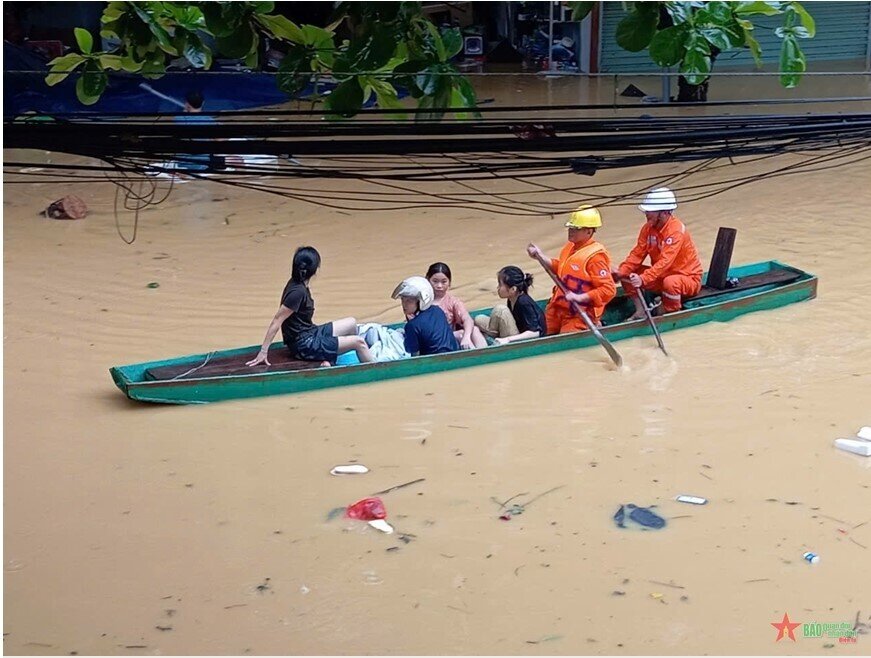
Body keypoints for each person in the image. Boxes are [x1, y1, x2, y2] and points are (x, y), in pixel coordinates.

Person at [246, 246, 373, 367]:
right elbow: (277, 320)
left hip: (310, 332)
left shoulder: (300, 283)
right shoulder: (297, 292)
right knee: (359, 343)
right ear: (314, 270)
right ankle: (373, 369)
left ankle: (334, 358)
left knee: (351, 322)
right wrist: (263, 352)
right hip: (304, 345)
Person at [614, 187, 703, 319]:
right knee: (627, 272)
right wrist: (621, 272)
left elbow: (665, 262)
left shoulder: (676, 231)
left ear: (664, 213)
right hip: (661, 277)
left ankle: (670, 313)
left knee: (670, 282)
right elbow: (637, 254)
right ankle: (641, 310)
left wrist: (643, 279)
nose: (647, 214)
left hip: (687, 279)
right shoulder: (648, 228)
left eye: (651, 211)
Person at [527, 204, 616, 334]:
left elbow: (608, 290)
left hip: (580, 313)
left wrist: (581, 297)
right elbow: (563, 269)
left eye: (576, 228)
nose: (571, 231)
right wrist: (540, 257)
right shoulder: (570, 247)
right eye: (571, 227)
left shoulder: (596, 257)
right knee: (541, 332)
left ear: (589, 231)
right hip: (558, 307)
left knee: (565, 337)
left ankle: (595, 324)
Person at [474, 266, 546, 344]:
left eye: (500, 285)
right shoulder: (511, 299)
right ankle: (494, 337)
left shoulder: (523, 302)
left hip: (525, 339)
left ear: (513, 289)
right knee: (479, 319)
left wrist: (508, 339)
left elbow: (536, 333)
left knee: (501, 310)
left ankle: (495, 339)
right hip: (515, 330)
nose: (498, 287)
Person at [392, 276, 459, 356]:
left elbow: (414, 354)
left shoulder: (412, 326)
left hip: (434, 361)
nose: (404, 305)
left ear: (422, 301)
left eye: (409, 301)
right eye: (403, 300)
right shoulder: (437, 310)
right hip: (454, 352)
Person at [426, 262, 487, 349]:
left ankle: (484, 354)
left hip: (451, 336)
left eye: (444, 282)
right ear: (428, 280)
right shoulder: (422, 302)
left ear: (449, 283)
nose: (439, 286)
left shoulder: (452, 301)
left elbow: (467, 319)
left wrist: (466, 337)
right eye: (435, 281)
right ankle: (476, 356)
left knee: (474, 330)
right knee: (460, 334)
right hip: (432, 339)